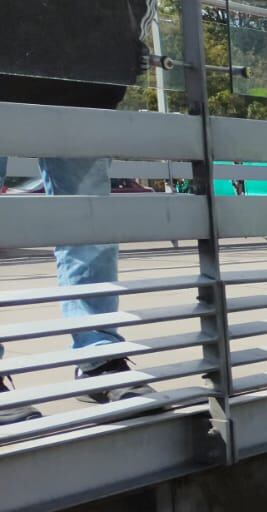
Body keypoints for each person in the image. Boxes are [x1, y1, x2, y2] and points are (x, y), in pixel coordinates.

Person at [0, 0, 158, 425]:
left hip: (81, 70)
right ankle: (97, 354)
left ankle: (98, 356)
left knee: (89, 225)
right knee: (88, 223)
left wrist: (128, 36)